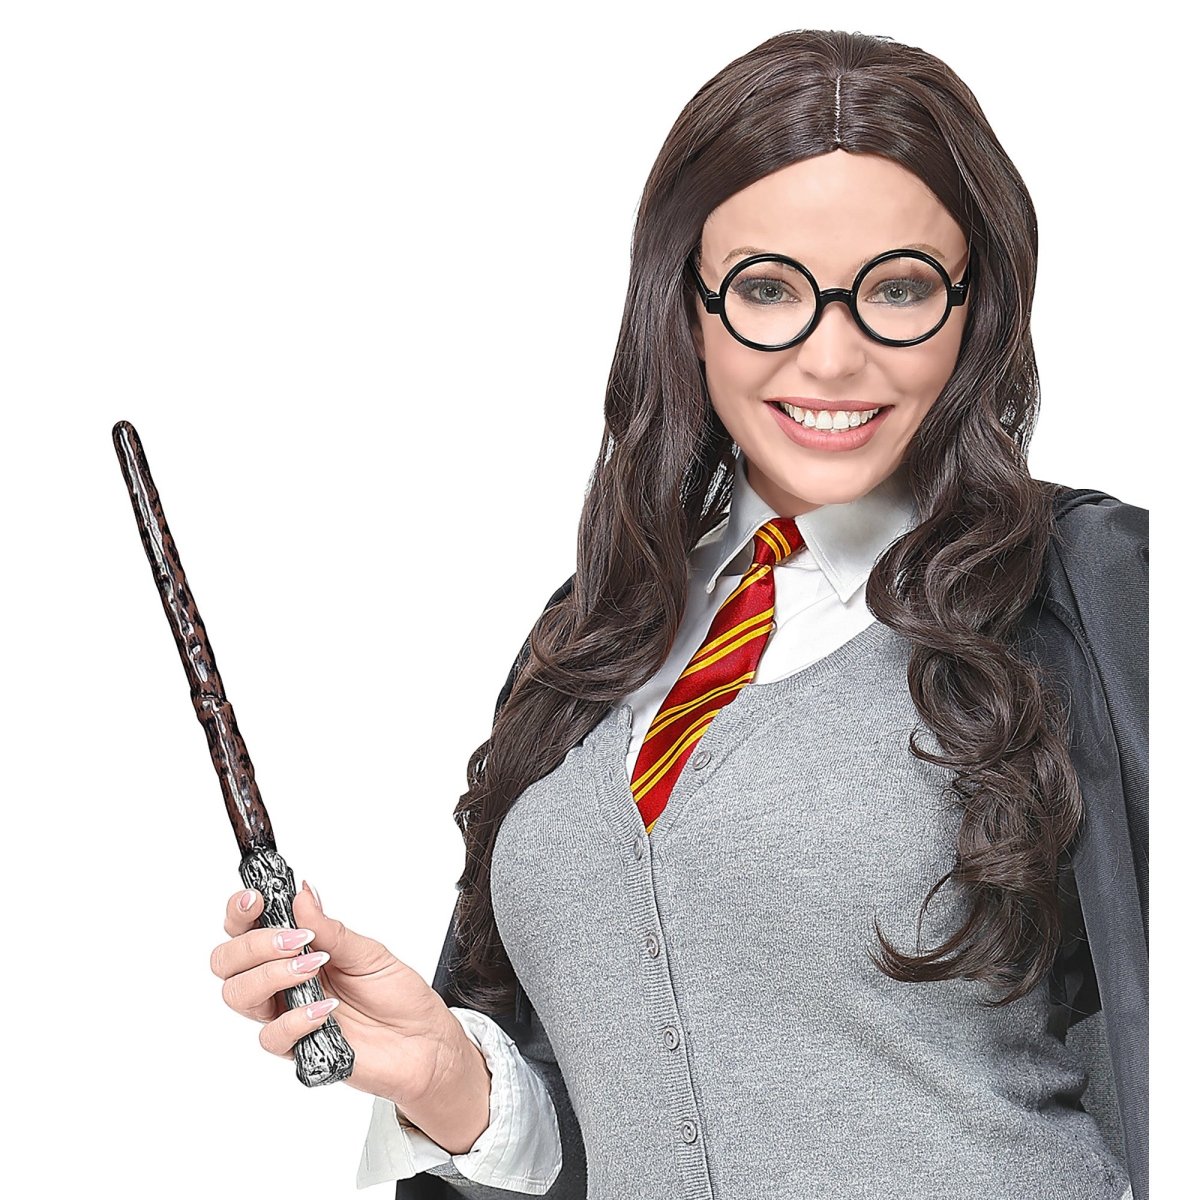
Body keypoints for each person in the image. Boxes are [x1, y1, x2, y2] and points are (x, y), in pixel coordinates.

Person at [208, 27, 1147, 1200]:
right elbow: (618, 1128)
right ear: (688, 307)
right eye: (768, 290)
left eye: (900, 288)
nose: (833, 357)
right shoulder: (590, 637)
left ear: (976, 308)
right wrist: (453, 1081)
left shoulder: (1100, 589)